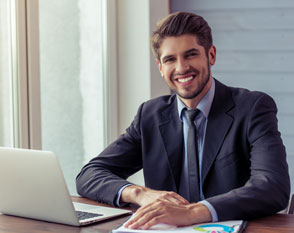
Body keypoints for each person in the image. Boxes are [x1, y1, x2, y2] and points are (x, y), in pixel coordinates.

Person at [76, 12, 290, 229]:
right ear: (160, 67)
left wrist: (194, 212)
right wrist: (140, 193)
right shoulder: (149, 115)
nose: (181, 68)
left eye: (190, 55)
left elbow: (272, 187)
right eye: (170, 59)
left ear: (211, 55)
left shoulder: (252, 107)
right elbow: (90, 174)